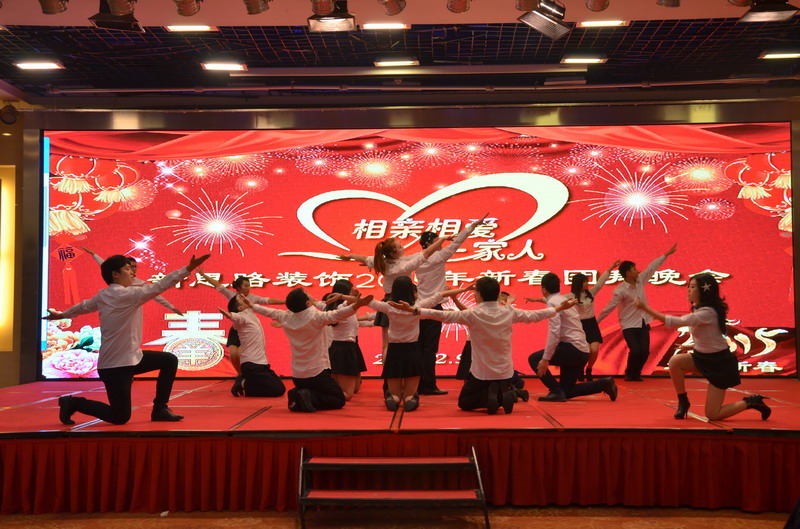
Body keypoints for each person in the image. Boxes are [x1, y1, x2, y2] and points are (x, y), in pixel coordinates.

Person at [46, 253, 211, 425]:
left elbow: (84, 306)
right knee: (120, 417)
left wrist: (62, 315)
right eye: (127, 269)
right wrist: (188, 268)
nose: (132, 272)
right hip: (116, 366)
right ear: (115, 274)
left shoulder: (103, 295)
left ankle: (160, 408)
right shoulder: (127, 295)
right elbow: (160, 286)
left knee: (168, 360)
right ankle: (72, 402)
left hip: (131, 359)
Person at [392, 277, 576, 415]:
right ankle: (503, 393)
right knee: (488, 388)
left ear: (478, 294)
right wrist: (558, 309)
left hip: (482, 373)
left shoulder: (473, 314)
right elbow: (535, 316)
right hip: (505, 372)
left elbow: (442, 315)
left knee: (465, 402)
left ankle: (497, 396)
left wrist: (415, 310)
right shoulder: (508, 311)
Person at [337, 215, 486, 361]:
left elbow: (366, 259)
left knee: (393, 344)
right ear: (393, 252)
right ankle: (407, 373)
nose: (403, 248)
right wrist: (453, 235)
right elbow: (432, 252)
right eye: (400, 246)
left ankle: (395, 375)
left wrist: (350, 256)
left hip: (402, 301)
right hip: (409, 303)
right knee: (407, 345)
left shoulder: (390, 261)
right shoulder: (407, 265)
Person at [635, 273, 771, 421]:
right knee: (675, 362)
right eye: (689, 286)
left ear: (704, 291)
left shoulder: (707, 312)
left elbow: (676, 322)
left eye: (693, 287)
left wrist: (645, 308)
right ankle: (683, 401)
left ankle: (751, 402)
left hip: (719, 364)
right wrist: (693, 346)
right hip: (703, 357)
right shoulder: (699, 309)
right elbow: (711, 336)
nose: (689, 290)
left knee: (713, 414)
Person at [241, 288, 373, 413]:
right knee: (338, 399)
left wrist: (252, 305)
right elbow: (338, 314)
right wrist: (357, 305)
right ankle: (308, 395)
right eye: (307, 293)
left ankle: (299, 393)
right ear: (307, 303)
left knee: (321, 391)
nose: (310, 294)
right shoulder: (316, 317)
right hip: (317, 373)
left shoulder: (286, 316)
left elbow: (268, 311)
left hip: (297, 375)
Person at [366, 277, 470, 412]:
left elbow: (366, 302)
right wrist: (465, 289)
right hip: (412, 350)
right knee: (410, 394)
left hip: (394, 350)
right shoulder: (417, 307)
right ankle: (410, 399)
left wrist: (352, 297)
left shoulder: (388, 306)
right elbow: (439, 296)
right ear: (411, 291)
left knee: (394, 393)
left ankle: (393, 398)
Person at [415, 220, 484, 396]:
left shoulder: (416, 259)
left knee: (420, 348)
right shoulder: (437, 257)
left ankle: (417, 385)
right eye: (437, 241)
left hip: (419, 306)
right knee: (430, 349)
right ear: (429, 244)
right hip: (433, 306)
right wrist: (471, 227)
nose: (440, 244)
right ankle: (428, 385)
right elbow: (457, 243)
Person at [528, 272, 618, 402]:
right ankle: (603, 384)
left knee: (534, 359)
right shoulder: (564, 300)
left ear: (543, 289)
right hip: (581, 351)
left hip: (572, 349)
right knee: (567, 391)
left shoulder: (554, 302)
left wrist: (546, 359)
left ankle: (555, 391)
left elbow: (554, 332)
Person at [596, 243, 678, 381]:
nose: (637, 271)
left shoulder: (640, 281)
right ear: (628, 273)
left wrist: (665, 255)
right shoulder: (620, 290)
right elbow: (609, 307)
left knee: (645, 351)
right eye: (634, 269)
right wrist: (597, 322)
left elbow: (651, 268)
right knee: (635, 350)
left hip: (643, 322)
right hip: (628, 325)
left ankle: (636, 373)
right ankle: (629, 373)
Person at [196, 268, 283, 394]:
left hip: (247, 328)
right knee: (233, 354)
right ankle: (241, 376)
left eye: (249, 285)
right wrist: (203, 275)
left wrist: (285, 302)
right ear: (238, 288)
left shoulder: (252, 298)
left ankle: (245, 378)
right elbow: (218, 285)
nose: (248, 288)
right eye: (245, 286)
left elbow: (268, 300)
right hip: (237, 326)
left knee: (241, 353)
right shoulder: (233, 297)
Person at [218, 295, 286, 398]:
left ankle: (246, 384)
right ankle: (243, 384)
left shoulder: (251, 313)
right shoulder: (242, 317)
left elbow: (262, 307)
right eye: (241, 299)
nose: (245, 298)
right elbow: (236, 317)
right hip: (251, 364)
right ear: (240, 308)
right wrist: (230, 315)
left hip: (262, 364)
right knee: (278, 390)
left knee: (281, 387)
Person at [82, 248, 183, 316]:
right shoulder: (116, 277)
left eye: (135, 267)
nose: (133, 269)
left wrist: (172, 308)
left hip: (130, 313)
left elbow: (157, 296)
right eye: (130, 267)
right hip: (113, 311)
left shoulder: (140, 283)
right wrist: (94, 254)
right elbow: (104, 264)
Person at [567, 260, 619, 381]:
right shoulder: (570, 296)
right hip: (580, 325)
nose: (587, 283)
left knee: (594, 350)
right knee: (587, 350)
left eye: (587, 281)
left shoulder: (591, 293)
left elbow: (601, 283)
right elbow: (555, 300)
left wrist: (610, 268)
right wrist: (538, 299)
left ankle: (589, 369)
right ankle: (580, 369)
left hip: (591, 324)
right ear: (578, 284)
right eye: (584, 282)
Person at [322, 279, 369, 401]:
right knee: (347, 395)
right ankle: (314, 396)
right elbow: (357, 301)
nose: (353, 291)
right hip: (344, 349)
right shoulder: (342, 306)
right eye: (351, 290)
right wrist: (342, 296)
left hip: (342, 347)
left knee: (353, 389)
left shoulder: (336, 307)